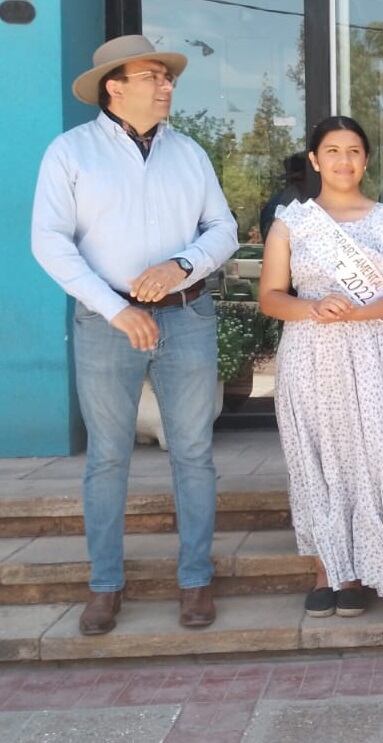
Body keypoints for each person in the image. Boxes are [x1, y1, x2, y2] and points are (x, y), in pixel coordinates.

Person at [31, 35, 238, 634]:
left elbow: (222, 228)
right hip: (105, 323)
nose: (167, 85)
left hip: (188, 315)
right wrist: (114, 307)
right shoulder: (70, 153)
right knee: (107, 457)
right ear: (113, 86)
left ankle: (196, 579)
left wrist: (182, 265)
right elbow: (48, 241)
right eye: (153, 76)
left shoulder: (190, 153)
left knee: (194, 453)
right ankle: (105, 585)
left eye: (168, 77)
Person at [259, 117, 383, 617]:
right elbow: (268, 297)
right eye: (332, 151)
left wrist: (360, 312)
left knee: (374, 458)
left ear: (366, 159)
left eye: (353, 150)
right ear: (314, 160)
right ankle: (328, 570)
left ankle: (372, 569)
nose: (343, 160)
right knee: (317, 461)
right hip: (310, 357)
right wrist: (311, 308)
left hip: (373, 354)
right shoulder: (292, 222)